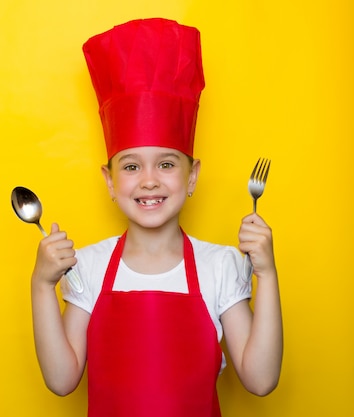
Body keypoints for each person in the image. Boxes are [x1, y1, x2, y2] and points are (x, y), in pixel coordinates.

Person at [30, 18, 283, 417]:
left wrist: (266, 275)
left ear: (193, 175)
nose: (149, 181)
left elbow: (261, 379)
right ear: (109, 182)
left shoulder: (220, 265)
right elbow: (62, 381)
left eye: (166, 164)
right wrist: (42, 286)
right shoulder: (89, 267)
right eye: (130, 167)